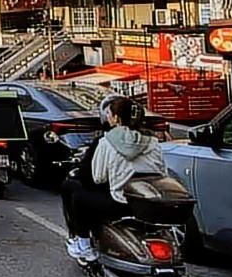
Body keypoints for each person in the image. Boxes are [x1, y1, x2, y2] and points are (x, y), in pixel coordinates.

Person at [62, 96, 167, 261]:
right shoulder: (153, 142)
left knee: (77, 195)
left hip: (120, 203)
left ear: (116, 119)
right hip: (147, 204)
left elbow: (98, 178)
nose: (108, 117)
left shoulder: (106, 142)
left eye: (109, 114)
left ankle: (84, 245)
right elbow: (162, 173)